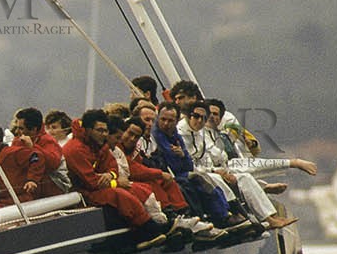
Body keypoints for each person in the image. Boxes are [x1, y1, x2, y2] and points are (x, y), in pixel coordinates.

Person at [181, 101, 295, 231]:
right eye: (197, 116)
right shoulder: (186, 132)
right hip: (200, 172)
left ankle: (270, 217)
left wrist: (220, 167)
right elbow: (194, 162)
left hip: (216, 168)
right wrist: (216, 170)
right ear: (189, 116)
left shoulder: (214, 133)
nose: (203, 119)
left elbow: (214, 156)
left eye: (206, 116)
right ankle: (235, 214)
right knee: (220, 178)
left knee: (244, 177)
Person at [63, 110, 170, 245]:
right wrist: (115, 182)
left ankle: (162, 219)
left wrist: (110, 175)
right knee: (120, 195)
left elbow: (112, 165)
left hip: (99, 187)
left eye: (105, 130)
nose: (104, 134)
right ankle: (147, 230)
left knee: (138, 189)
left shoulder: (98, 145)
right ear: (88, 130)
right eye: (99, 130)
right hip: (83, 193)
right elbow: (90, 182)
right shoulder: (75, 150)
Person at [152, 101, 238, 229]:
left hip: (182, 172)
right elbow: (173, 163)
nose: (166, 124)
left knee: (206, 180)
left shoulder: (175, 135)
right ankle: (212, 218)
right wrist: (181, 158)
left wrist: (182, 155)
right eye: (163, 119)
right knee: (196, 180)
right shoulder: (158, 136)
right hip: (168, 175)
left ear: (175, 121)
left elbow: (187, 164)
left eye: (170, 121)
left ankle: (226, 213)